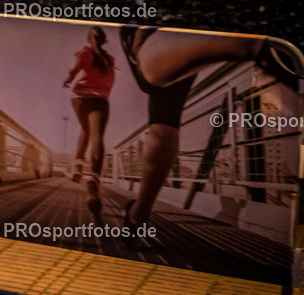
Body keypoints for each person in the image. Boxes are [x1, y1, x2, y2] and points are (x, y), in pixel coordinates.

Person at [119, 25, 301, 245]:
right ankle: (137, 215)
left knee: (160, 110)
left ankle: (137, 217)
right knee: (163, 117)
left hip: (152, 39)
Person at [63, 26, 115, 218]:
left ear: (88, 38)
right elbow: (110, 83)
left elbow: (75, 70)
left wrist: (67, 80)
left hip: (79, 99)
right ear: (103, 40)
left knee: (85, 129)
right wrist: (103, 95)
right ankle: (93, 178)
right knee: (97, 136)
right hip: (100, 100)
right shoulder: (110, 60)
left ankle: (77, 166)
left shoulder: (84, 53)